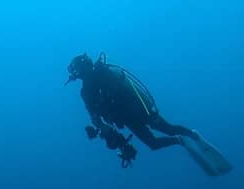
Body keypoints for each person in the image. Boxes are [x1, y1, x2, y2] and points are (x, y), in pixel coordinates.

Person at [66, 52, 198, 168]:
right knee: (154, 143)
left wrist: (104, 118)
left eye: (77, 69)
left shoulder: (102, 72)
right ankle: (180, 140)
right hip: (127, 119)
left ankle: (193, 135)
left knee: (167, 129)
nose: (76, 73)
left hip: (138, 109)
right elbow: (94, 116)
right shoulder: (86, 92)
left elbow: (119, 91)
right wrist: (116, 140)